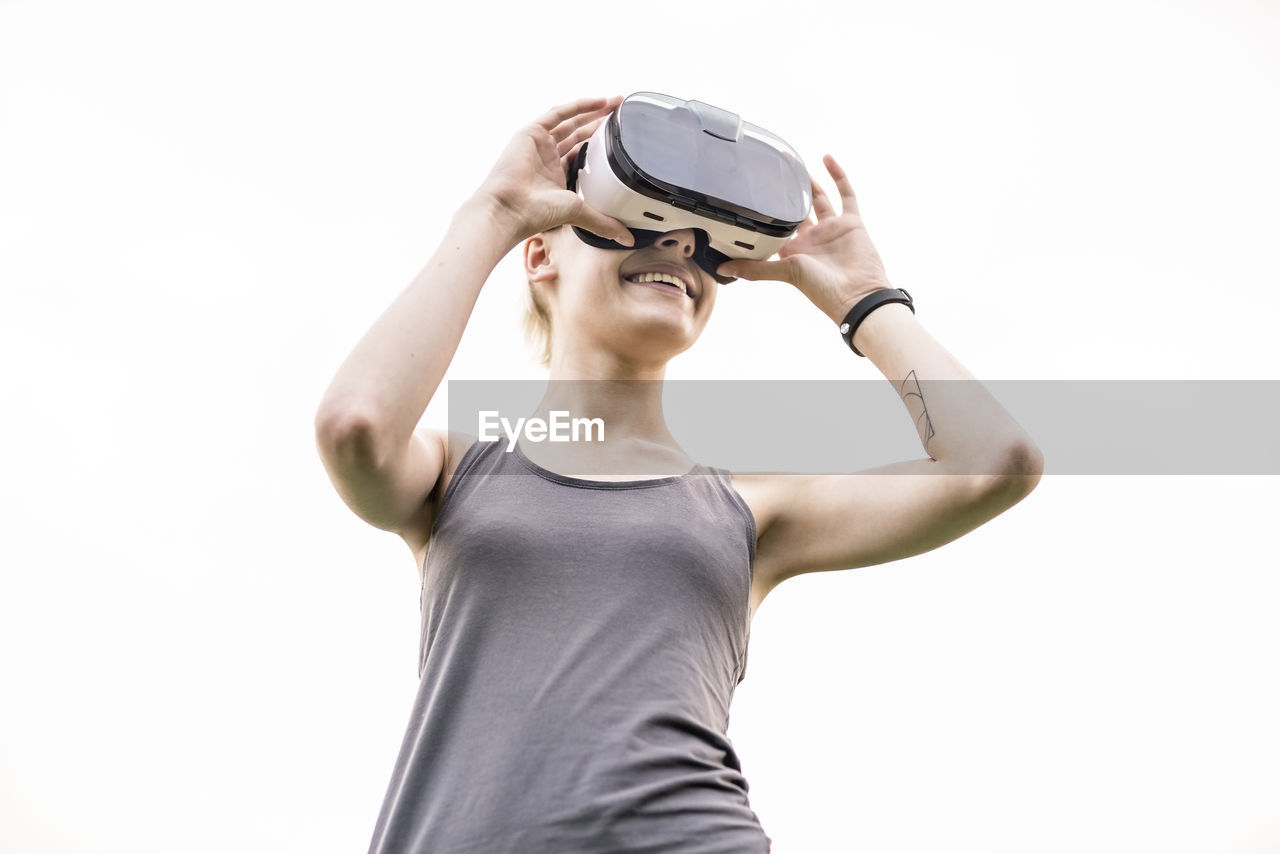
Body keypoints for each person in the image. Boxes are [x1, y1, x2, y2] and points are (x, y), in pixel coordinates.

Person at [314, 94, 1044, 853]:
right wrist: (493, 213)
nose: (679, 250)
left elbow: (994, 463)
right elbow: (355, 424)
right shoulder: (457, 470)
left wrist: (863, 300)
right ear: (541, 254)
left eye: (703, 247)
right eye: (639, 225)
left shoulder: (749, 507)